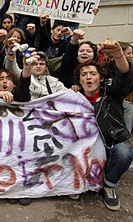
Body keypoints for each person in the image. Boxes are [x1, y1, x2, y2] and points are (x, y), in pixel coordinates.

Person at [74, 39, 133, 211]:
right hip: (87, 148)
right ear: (79, 80)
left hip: (111, 142)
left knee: (124, 153)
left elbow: (125, 77)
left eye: (92, 74)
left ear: (100, 78)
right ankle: (77, 182)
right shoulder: (75, 99)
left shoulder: (111, 92)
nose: (88, 77)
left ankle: (109, 184)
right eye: (84, 75)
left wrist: (118, 55)